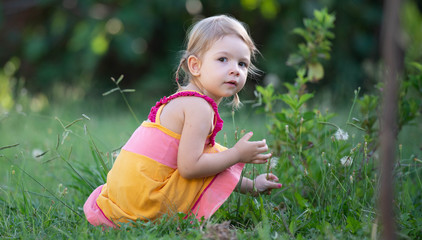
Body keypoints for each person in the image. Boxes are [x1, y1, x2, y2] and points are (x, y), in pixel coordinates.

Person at [83, 15, 282, 228]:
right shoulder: (198, 108)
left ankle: (249, 186)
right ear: (195, 66)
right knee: (213, 156)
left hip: (125, 198)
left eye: (242, 63)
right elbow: (190, 167)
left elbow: (205, 160)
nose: (235, 69)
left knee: (211, 154)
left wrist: (251, 184)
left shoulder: (187, 99)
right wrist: (236, 155)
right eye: (223, 59)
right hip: (144, 204)